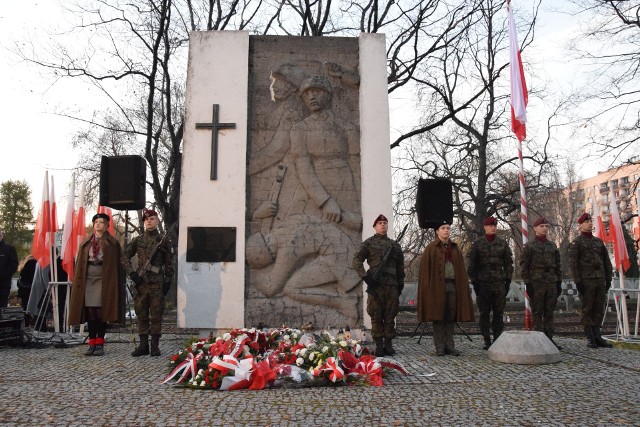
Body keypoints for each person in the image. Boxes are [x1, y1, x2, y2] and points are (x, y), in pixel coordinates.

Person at [68, 213, 125, 356]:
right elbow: (80, 263)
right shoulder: (86, 242)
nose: (98, 224)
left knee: (101, 312)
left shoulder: (112, 243)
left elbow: (118, 264)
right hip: (88, 279)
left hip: (104, 279)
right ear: (93, 225)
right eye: (96, 222)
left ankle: (100, 342)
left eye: (102, 222)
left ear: (106, 226)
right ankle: (91, 342)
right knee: (90, 312)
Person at [417, 221, 474, 356]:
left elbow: (460, 270)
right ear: (437, 231)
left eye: (448, 228)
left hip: (452, 285)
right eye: (443, 228)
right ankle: (439, 347)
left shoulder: (454, 248)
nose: (446, 230)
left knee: (450, 316)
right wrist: (428, 291)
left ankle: (450, 346)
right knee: (438, 316)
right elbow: (425, 273)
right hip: (436, 288)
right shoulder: (431, 248)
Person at [122, 209, 174, 357]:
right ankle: (143, 346)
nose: (149, 221)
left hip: (157, 283)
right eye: (147, 219)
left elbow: (170, 264)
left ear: (157, 221)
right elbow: (124, 257)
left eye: (152, 218)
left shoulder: (163, 241)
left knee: (156, 315)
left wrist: (167, 282)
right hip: (141, 283)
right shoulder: (138, 240)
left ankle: (155, 346)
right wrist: (132, 274)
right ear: (144, 222)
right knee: (141, 314)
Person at [352, 214, 405, 357]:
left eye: (385, 223)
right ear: (375, 226)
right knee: (376, 316)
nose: (383, 225)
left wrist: (400, 284)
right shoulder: (368, 243)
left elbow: (400, 266)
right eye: (380, 223)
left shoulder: (395, 245)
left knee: (390, 315)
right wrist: (366, 277)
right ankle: (379, 345)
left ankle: (389, 344)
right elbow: (356, 261)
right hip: (376, 286)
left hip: (392, 286)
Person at [467, 216, 514, 350]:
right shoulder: (478, 244)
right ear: (485, 227)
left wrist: (508, 279)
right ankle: (487, 339)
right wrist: (475, 282)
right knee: (484, 313)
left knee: (498, 313)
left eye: (495, 225)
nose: (493, 227)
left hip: (499, 282)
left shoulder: (502, 243)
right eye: (490, 225)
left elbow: (508, 263)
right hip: (483, 283)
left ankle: (497, 338)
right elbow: (472, 265)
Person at [568, 213, 613, 348]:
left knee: (599, 307)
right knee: (587, 308)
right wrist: (578, 281)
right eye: (586, 222)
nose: (589, 224)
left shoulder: (598, 242)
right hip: (586, 281)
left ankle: (598, 335)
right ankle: (590, 336)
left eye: (590, 221)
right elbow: (574, 264)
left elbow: (606, 262)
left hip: (599, 280)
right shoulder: (577, 243)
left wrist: (608, 279)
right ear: (580, 225)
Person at [520, 217, 563, 349]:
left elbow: (557, 265)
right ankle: (538, 339)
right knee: (537, 312)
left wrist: (558, 282)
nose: (545, 228)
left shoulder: (552, 245)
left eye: (546, 226)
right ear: (535, 228)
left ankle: (550, 339)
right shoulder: (530, 246)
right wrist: (528, 283)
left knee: (549, 311)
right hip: (537, 282)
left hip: (551, 281)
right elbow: (524, 266)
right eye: (542, 226)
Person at [0, 230, 19, 308]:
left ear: (1, 236)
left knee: (2, 307)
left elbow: (14, 265)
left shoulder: (9, 249)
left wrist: (4, 275)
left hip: (3, 285)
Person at [17, 255, 37, 324]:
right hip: (30, 289)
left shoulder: (24, 265)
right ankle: (29, 322)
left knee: (25, 307)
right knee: (32, 307)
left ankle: (25, 322)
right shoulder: (33, 263)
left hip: (23, 290)